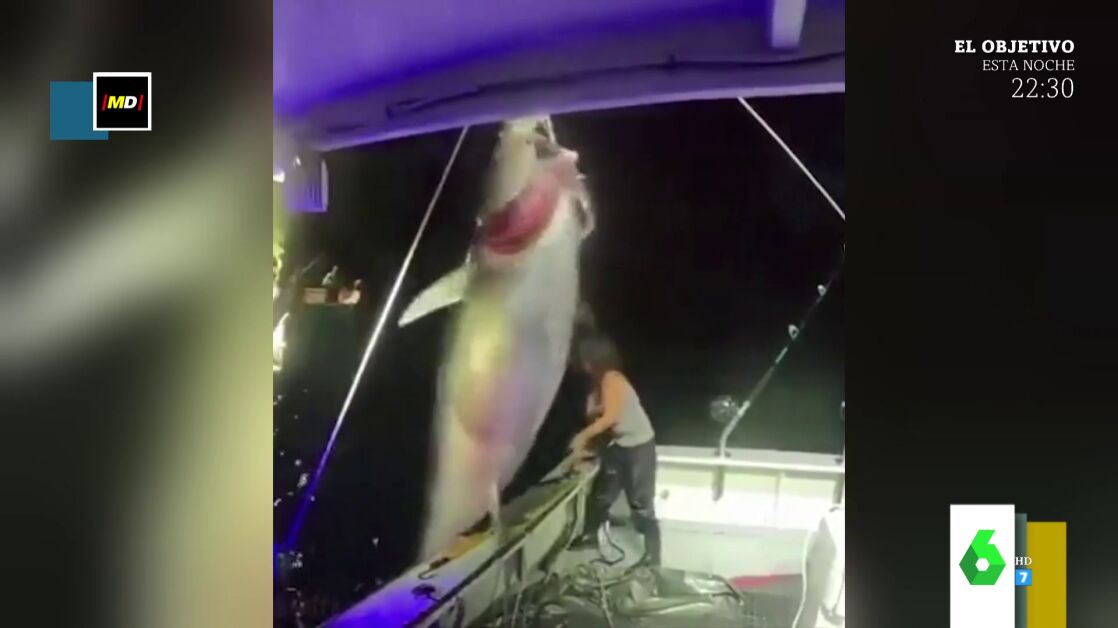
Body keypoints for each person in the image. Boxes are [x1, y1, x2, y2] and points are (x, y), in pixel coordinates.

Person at [568, 333, 661, 566]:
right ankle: (590, 535)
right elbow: (601, 411)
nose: (581, 363)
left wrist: (582, 437)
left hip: (639, 447)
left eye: (584, 358)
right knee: (602, 494)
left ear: (595, 358)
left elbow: (611, 417)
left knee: (641, 504)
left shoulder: (612, 380)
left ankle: (653, 555)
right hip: (617, 445)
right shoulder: (599, 384)